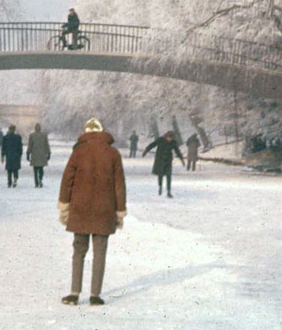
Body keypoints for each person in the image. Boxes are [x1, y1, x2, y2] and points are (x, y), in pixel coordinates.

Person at [58, 118, 126, 306]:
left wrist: (64, 205)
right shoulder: (113, 153)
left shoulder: (78, 152)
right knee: (100, 252)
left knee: (78, 250)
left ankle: (74, 293)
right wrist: (120, 211)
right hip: (105, 210)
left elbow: (67, 180)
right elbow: (119, 185)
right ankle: (95, 294)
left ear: (86, 132)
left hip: (80, 208)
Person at [141, 131, 185, 197]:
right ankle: (160, 187)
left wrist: (181, 159)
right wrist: (146, 150)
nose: (170, 139)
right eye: (169, 138)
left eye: (171, 138)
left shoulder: (173, 142)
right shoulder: (160, 140)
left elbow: (177, 151)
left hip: (168, 161)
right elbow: (152, 145)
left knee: (168, 176)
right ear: (166, 136)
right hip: (160, 160)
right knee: (160, 175)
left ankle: (168, 191)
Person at [27, 123, 51, 188]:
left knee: (35, 169)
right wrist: (49, 153)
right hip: (42, 154)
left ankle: (36, 183)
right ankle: (40, 179)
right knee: (41, 168)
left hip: (34, 154)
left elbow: (30, 145)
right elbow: (47, 145)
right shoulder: (44, 135)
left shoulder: (32, 135)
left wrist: (28, 153)